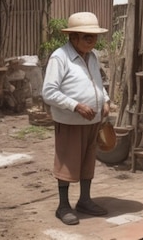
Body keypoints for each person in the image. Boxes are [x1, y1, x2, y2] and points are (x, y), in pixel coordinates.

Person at [42, 12, 111, 226]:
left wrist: (105, 100)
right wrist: (76, 106)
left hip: (93, 121)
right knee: (67, 162)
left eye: (94, 37)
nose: (92, 41)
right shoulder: (60, 57)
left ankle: (85, 200)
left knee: (87, 161)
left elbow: (97, 82)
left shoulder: (93, 56)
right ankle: (63, 206)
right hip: (70, 121)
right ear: (73, 37)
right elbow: (48, 92)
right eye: (87, 37)